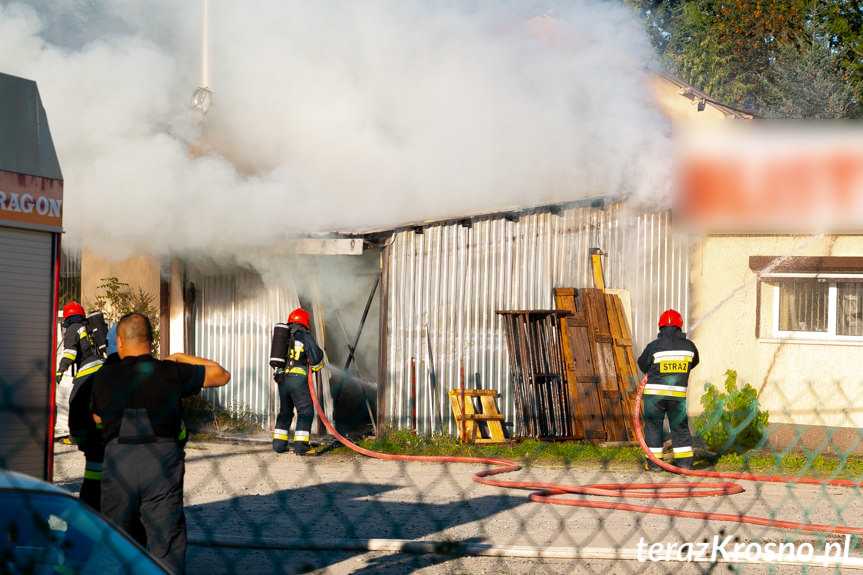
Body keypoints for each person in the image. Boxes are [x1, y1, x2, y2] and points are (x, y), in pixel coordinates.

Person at [90, 313, 230, 574]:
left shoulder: (104, 377)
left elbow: (97, 416)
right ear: (151, 341)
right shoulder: (170, 371)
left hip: (119, 463)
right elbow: (221, 375)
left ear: (119, 342)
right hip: (161, 463)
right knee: (165, 540)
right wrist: (179, 358)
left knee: (115, 538)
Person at [55, 301, 106, 510]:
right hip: (101, 370)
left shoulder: (72, 329)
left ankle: (77, 434)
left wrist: (60, 371)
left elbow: (70, 353)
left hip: (85, 373)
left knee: (78, 404)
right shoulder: (90, 327)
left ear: (67, 318)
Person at [637, 309, 700, 472]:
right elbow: (694, 362)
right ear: (680, 327)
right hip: (677, 396)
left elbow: (642, 364)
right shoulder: (689, 347)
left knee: (653, 427)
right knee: (679, 427)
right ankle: (684, 464)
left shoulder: (654, 347)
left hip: (654, 396)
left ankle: (654, 464)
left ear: (661, 327)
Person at [270, 307, 324, 456]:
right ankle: (301, 447)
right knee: (305, 411)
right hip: (297, 380)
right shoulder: (304, 336)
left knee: (285, 411)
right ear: (305, 322)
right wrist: (317, 367)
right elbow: (316, 358)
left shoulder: (284, 336)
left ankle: (279, 445)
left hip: (282, 379)